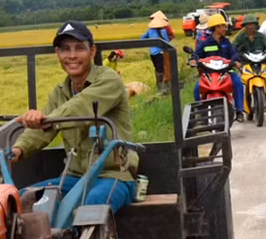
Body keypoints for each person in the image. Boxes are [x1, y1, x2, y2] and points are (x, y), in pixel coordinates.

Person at [11, 21, 137, 213]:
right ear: (57, 54)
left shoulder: (109, 79)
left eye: (79, 48)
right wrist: (19, 148)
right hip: (74, 177)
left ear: (92, 51)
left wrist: (43, 119)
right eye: (65, 50)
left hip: (113, 175)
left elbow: (81, 107)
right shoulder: (60, 92)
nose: (72, 56)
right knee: (22, 198)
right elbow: (42, 132)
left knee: (94, 203)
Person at [195, 14, 244, 121]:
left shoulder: (226, 42)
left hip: (226, 72)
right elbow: (196, 55)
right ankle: (200, 113)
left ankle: (239, 111)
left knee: (237, 83)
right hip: (209, 74)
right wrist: (193, 60)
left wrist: (235, 61)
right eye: (222, 26)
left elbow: (234, 53)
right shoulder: (205, 43)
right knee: (197, 88)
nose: (225, 28)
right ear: (216, 27)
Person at [140, 14, 171, 93]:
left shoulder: (150, 30)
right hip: (160, 53)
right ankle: (161, 87)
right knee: (162, 69)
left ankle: (158, 86)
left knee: (157, 69)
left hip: (152, 53)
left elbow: (142, 38)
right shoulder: (163, 31)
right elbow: (166, 42)